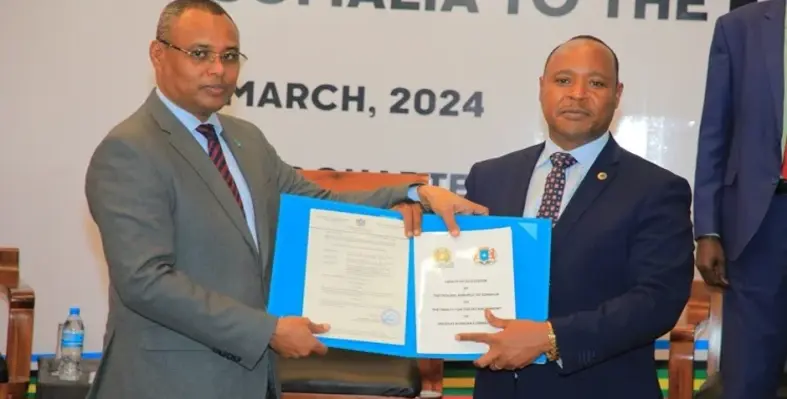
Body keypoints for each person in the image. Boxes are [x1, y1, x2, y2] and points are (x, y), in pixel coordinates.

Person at [82, 1, 487, 398]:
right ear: (158, 54)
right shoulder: (131, 149)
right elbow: (145, 281)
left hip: (250, 379)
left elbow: (322, 206)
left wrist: (415, 192)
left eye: (229, 56)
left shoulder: (246, 142)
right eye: (199, 54)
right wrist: (268, 331)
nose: (218, 70)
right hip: (167, 380)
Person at [454, 35, 695, 398]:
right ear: (541, 88)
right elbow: (459, 273)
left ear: (617, 94)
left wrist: (552, 338)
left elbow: (657, 300)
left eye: (596, 83)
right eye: (563, 80)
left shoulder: (657, 189)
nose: (578, 93)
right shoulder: (489, 177)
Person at [693, 0, 787, 397]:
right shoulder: (741, 27)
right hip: (760, 221)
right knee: (748, 377)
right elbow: (715, 130)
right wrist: (708, 229)